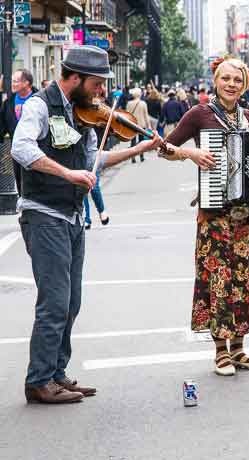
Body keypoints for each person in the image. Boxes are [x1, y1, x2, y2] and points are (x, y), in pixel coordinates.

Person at [11, 45, 162, 404]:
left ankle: (57, 373)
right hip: (44, 212)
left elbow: (96, 160)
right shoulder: (39, 106)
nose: (101, 92)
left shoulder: (84, 115)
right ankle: (38, 380)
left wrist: (140, 149)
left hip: (73, 216)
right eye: (97, 83)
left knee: (71, 301)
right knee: (55, 300)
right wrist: (67, 173)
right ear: (75, 78)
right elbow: (21, 149)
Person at [161, 57, 249, 377]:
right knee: (218, 281)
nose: (232, 84)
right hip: (216, 214)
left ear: (246, 84)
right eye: (226, 79)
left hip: (248, 215)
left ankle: (240, 350)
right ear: (215, 80)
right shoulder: (199, 114)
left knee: (245, 281)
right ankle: (220, 353)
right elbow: (164, 147)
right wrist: (190, 153)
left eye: (238, 80)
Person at [0, 68, 35, 192]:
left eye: (16, 81)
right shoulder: (8, 103)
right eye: (12, 81)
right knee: (21, 186)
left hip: (38, 151)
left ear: (26, 83)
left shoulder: (40, 99)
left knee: (37, 187)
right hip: (18, 152)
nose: (12, 84)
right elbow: (1, 127)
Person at [126, 87, 152, 164]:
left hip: (132, 124)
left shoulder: (129, 103)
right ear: (140, 94)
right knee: (141, 141)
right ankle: (141, 156)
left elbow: (127, 115)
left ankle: (133, 157)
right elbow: (146, 115)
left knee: (133, 142)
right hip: (141, 125)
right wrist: (149, 125)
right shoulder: (143, 103)